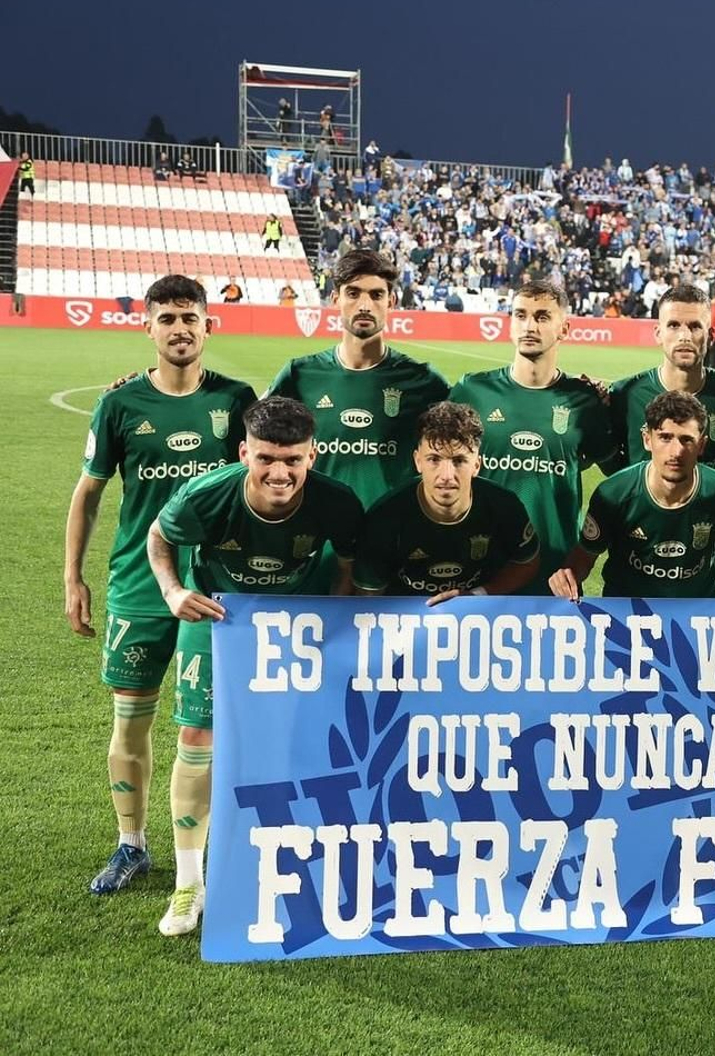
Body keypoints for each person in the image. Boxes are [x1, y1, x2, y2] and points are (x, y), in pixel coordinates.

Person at [64, 275, 256, 896]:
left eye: (189, 318)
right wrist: (74, 575)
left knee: (204, 726)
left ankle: (201, 854)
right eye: (167, 318)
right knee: (130, 721)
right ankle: (132, 846)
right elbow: (88, 494)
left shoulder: (238, 399)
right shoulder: (119, 406)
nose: (179, 328)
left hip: (215, 590)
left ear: (209, 326)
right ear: (147, 327)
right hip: (139, 585)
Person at [145, 395, 363, 935]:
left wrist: (334, 618)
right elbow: (159, 538)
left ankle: (280, 862)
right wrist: (173, 591)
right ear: (245, 452)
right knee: (197, 737)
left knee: (297, 739)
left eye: (292, 460)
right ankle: (189, 883)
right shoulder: (207, 497)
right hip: (219, 615)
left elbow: (351, 567)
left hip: (297, 622)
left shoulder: (337, 502)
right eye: (267, 458)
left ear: (313, 456)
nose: (280, 472)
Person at [449, 279, 620, 596]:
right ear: (510, 324)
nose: (530, 326)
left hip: (556, 573)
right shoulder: (471, 391)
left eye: (542, 317)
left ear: (564, 329)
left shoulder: (584, 401)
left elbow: (604, 466)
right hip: (478, 567)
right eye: (521, 315)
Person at [267, 249, 450, 507]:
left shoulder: (425, 382)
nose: (365, 305)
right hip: (318, 540)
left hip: (394, 538)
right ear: (335, 299)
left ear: (391, 301)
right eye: (353, 293)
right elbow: (258, 448)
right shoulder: (299, 375)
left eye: (376, 295)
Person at [550, 391, 715, 600]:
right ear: (647, 439)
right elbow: (586, 555)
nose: (676, 452)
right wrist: (568, 575)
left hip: (695, 612)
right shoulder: (613, 493)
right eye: (665, 437)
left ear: (702, 445)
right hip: (627, 612)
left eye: (687, 440)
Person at [354, 402, 541, 600]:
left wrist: (477, 595)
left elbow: (527, 562)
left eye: (459, 461)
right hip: (403, 622)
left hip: (476, 618)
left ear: (477, 465)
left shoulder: (504, 506)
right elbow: (369, 599)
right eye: (434, 459)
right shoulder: (385, 518)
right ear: (418, 461)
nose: (446, 475)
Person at [608, 283, 715, 479]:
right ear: (658, 334)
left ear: (709, 337)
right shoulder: (625, 394)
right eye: (674, 325)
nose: (684, 336)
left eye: (695, 326)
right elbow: (608, 461)